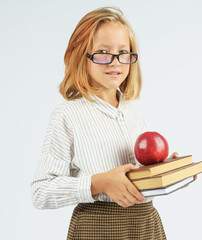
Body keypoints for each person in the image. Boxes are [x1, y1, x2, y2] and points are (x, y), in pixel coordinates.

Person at [31, 7, 172, 240]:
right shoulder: (68, 115)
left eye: (123, 52)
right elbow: (40, 192)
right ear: (80, 56)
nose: (115, 62)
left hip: (146, 224)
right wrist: (99, 183)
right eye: (103, 52)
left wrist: (165, 173)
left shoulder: (134, 114)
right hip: (98, 227)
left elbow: (137, 179)